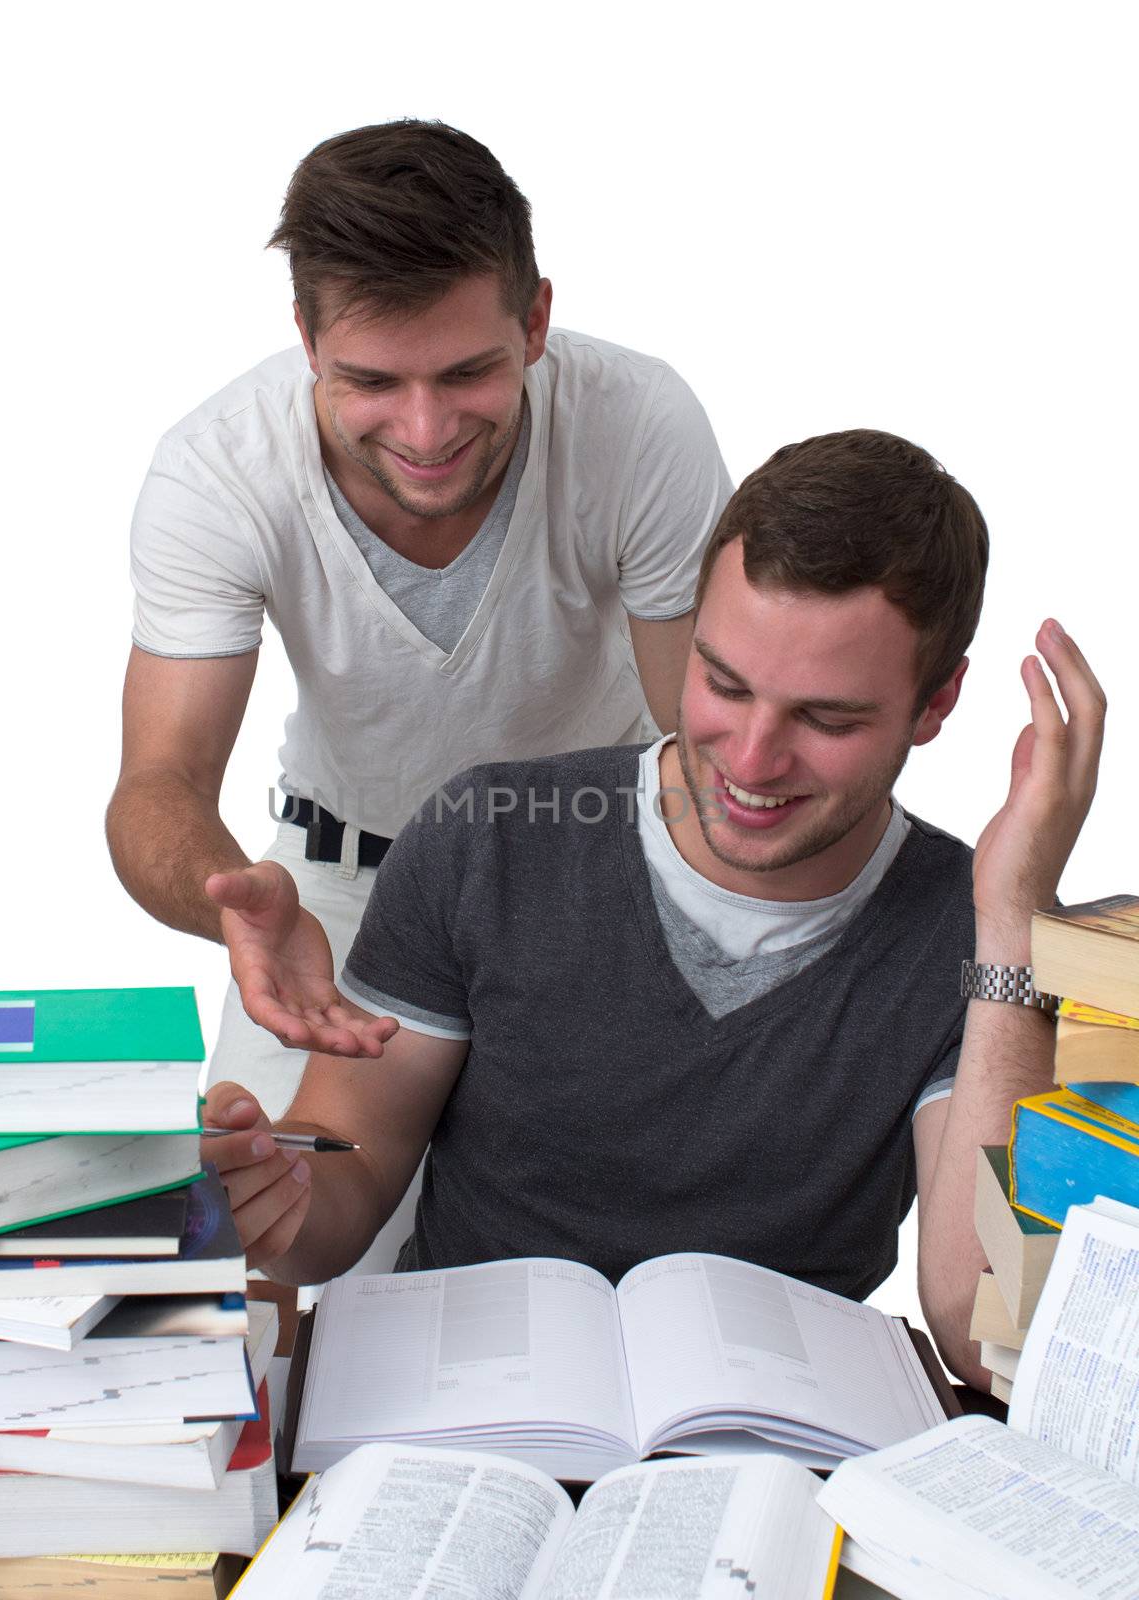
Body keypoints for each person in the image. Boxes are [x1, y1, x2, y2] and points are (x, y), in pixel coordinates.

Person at [201, 428, 1106, 1388]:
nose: (751, 761)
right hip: (468, 1422)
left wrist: (1014, 917)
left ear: (936, 705)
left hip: (777, 1457)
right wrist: (275, 1194)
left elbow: (982, 1332)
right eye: (722, 683)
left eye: (826, 718)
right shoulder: (489, 835)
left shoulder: (962, 936)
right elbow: (344, 1192)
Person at [105, 120, 732, 1134]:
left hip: (603, 871)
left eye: (465, 373)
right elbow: (156, 787)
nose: (426, 431)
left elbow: (709, 743)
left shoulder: (639, 422)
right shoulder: (216, 472)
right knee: (268, 1224)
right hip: (335, 895)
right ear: (306, 340)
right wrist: (235, 907)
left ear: (535, 320)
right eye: (372, 382)